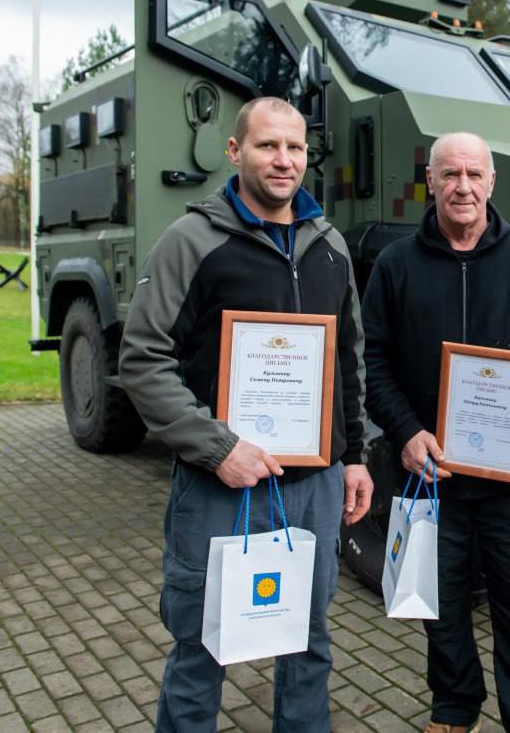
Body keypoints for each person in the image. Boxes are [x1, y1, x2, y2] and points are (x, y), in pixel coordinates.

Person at [119, 96, 373, 733]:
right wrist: (215, 447)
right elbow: (143, 360)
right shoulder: (191, 241)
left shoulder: (331, 247)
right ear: (235, 152)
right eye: (267, 145)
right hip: (220, 484)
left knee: (308, 641)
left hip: (312, 486)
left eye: (295, 147)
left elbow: (349, 360)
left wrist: (354, 458)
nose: (283, 160)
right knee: (204, 642)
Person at [362, 132, 510, 733]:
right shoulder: (397, 264)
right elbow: (372, 357)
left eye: (474, 174)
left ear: (493, 182)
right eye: (450, 174)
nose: (463, 186)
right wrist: (403, 431)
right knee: (441, 601)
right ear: (430, 181)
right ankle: (454, 707)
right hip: (429, 471)